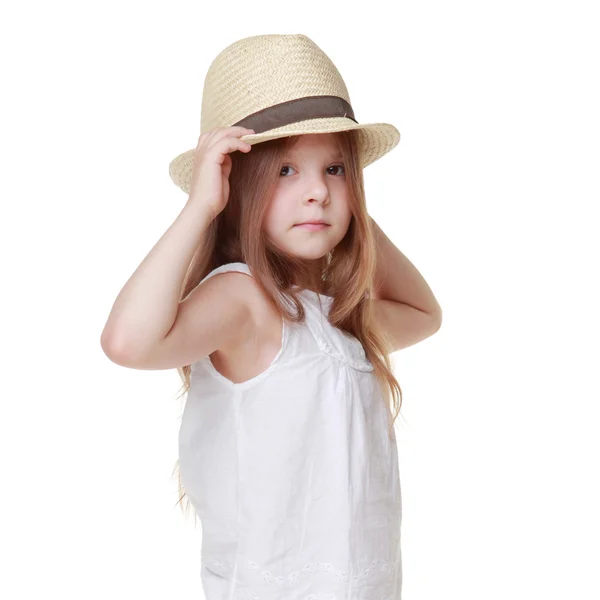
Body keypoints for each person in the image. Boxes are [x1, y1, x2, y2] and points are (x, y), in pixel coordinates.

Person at [101, 33, 442, 600]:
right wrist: (201, 207)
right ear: (235, 186)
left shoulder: (338, 317)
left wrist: (353, 211)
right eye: (286, 171)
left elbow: (423, 314)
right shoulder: (245, 301)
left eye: (334, 168)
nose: (317, 193)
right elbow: (127, 343)